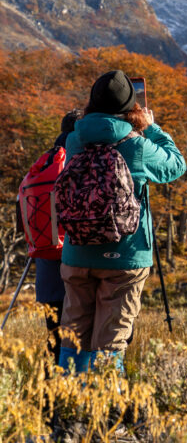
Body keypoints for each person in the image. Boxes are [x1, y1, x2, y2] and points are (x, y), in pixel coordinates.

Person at [58, 70, 186, 373]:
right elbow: (176, 165)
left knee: (73, 334)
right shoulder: (136, 146)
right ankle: (106, 411)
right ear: (132, 106)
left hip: (76, 252)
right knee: (111, 338)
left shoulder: (74, 140)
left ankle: (65, 404)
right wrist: (152, 128)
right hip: (125, 256)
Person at [32, 109, 82, 364]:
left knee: (54, 341)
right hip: (77, 271)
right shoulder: (81, 161)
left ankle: (51, 395)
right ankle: (75, 395)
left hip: (46, 273)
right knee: (78, 344)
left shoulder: (43, 165)